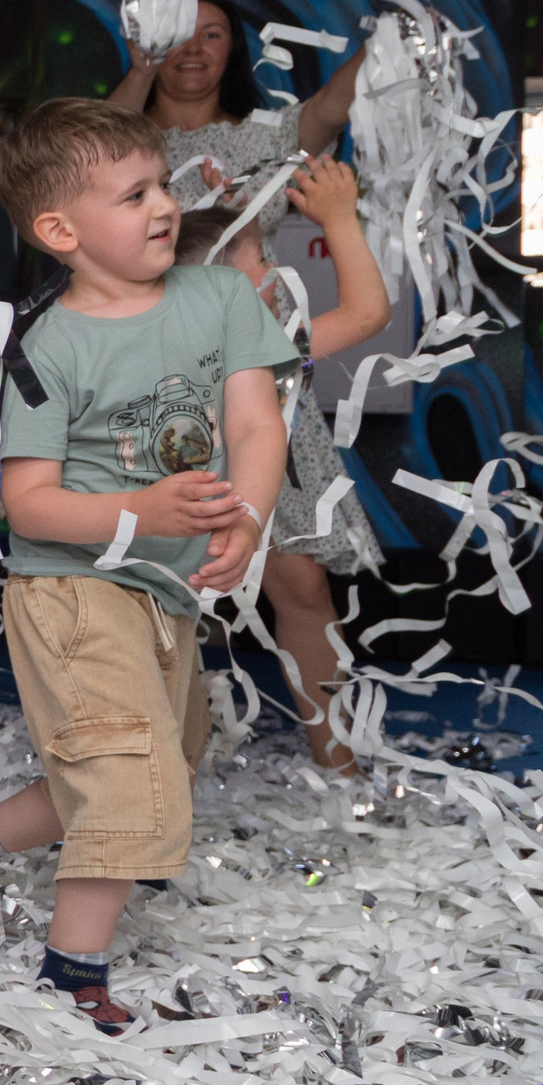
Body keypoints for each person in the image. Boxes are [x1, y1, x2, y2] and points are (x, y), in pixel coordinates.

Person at [0, 99, 291, 1035]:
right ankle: (70, 968)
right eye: (135, 194)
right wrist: (141, 512)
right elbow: (28, 501)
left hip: (166, 593)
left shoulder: (219, 297)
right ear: (60, 230)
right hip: (73, 588)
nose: (164, 204)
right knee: (129, 772)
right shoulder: (47, 348)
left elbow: (254, 421)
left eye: (161, 184)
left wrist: (244, 518)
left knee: (159, 754)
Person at [175, 156, 391, 772]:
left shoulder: (267, 348)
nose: (277, 274)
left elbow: (369, 315)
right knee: (163, 617)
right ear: (214, 296)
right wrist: (338, 218)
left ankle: (340, 759)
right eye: (261, 267)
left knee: (302, 586)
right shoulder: (190, 356)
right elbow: (369, 312)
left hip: (263, 492)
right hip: (177, 514)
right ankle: (164, 775)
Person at [107, 0, 365, 238]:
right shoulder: (128, 140)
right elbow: (97, 147)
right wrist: (142, 72)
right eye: (178, 35)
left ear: (232, 49)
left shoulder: (270, 135)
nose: (193, 48)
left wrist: (389, 35)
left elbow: (331, 105)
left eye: (211, 35)